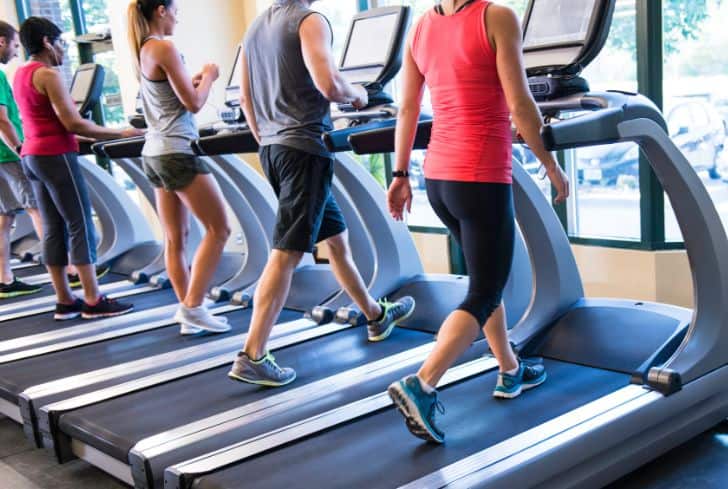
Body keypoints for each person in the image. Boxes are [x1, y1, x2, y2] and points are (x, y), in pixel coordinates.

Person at [386, 0, 570, 444]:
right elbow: (520, 102)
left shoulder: (422, 28)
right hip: (481, 175)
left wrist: (399, 173)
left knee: (483, 281)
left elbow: (408, 107)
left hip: (439, 180)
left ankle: (510, 369)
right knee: (486, 290)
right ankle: (423, 382)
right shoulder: (497, 16)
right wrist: (550, 164)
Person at [230, 0, 416, 387]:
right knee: (288, 252)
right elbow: (328, 84)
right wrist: (361, 95)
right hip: (304, 149)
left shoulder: (254, 29)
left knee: (336, 239)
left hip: (273, 149)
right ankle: (252, 354)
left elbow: (246, 99)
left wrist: (269, 136)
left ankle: (374, 316)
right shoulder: (309, 20)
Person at [14, 16, 142, 319]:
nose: (64, 51)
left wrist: (85, 133)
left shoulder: (22, 74)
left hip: (32, 156)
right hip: (56, 156)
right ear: (47, 42)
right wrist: (121, 133)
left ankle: (65, 300)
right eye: (61, 43)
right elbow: (71, 122)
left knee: (53, 227)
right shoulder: (48, 74)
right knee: (80, 224)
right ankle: (93, 299)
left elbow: (51, 123)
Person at [128, 0, 232, 335]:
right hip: (176, 151)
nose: (177, 17)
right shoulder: (164, 47)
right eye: (175, 11)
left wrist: (194, 78)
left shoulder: (144, 49)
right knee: (220, 230)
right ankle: (192, 307)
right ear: (160, 10)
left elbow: (172, 94)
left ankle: (190, 309)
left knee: (176, 238)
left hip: (155, 153)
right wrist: (211, 77)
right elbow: (194, 103)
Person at [0, 20, 43, 299]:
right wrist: (21, 149)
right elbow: (3, 120)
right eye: (15, 45)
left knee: (4, 218)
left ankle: (4, 279)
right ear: (1, 42)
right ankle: (72, 273)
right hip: (8, 155)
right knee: (38, 210)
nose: (16, 52)